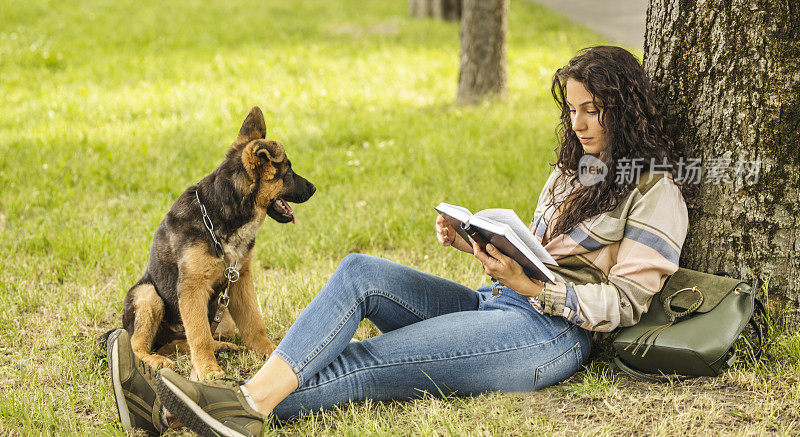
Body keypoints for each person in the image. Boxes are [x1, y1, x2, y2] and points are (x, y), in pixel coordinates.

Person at [105, 45, 691, 437]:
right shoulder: (572, 172)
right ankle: (204, 404)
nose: (581, 123)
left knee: (371, 362)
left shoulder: (658, 193)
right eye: (573, 111)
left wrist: (535, 288)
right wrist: (481, 249)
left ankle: (227, 409)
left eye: (594, 110)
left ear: (626, 108)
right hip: (498, 305)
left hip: (550, 335)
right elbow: (535, 253)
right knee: (360, 270)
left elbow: (624, 306)